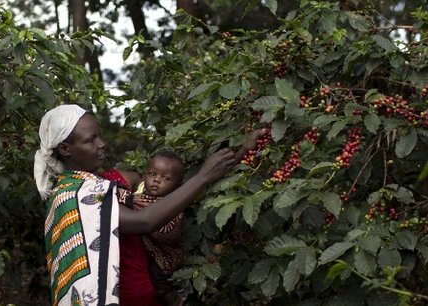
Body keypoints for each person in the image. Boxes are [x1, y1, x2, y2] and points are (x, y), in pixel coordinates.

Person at [33, 104, 260, 306]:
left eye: (99, 136)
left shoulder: (111, 182)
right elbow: (144, 221)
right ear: (65, 149)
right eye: (90, 140)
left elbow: (173, 189)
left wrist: (241, 154)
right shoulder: (72, 194)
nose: (101, 144)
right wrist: (203, 177)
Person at [103, 150, 187, 305]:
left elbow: (131, 201)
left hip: (165, 257)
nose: (156, 180)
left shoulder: (165, 201)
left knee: (159, 279)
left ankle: (175, 299)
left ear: (177, 187)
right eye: (152, 174)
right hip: (148, 251)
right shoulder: (141, 188)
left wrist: (114, 191)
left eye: (165, 178)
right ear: (144, 174)